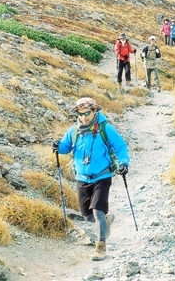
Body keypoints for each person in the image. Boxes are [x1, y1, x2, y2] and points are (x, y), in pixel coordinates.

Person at [52, 97, 130, 261]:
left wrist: (123, 163)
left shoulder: (105, 129)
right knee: (87, 215)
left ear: (95, 111)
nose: (84, 117)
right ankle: (105, 222)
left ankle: (100, 246)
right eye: (80, 114)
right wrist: (57, 146)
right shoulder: (74, 131)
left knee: (97, 211)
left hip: (102, 176)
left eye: (87, 113)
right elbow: (65, 148)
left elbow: (121, 147)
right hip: (82, 178)